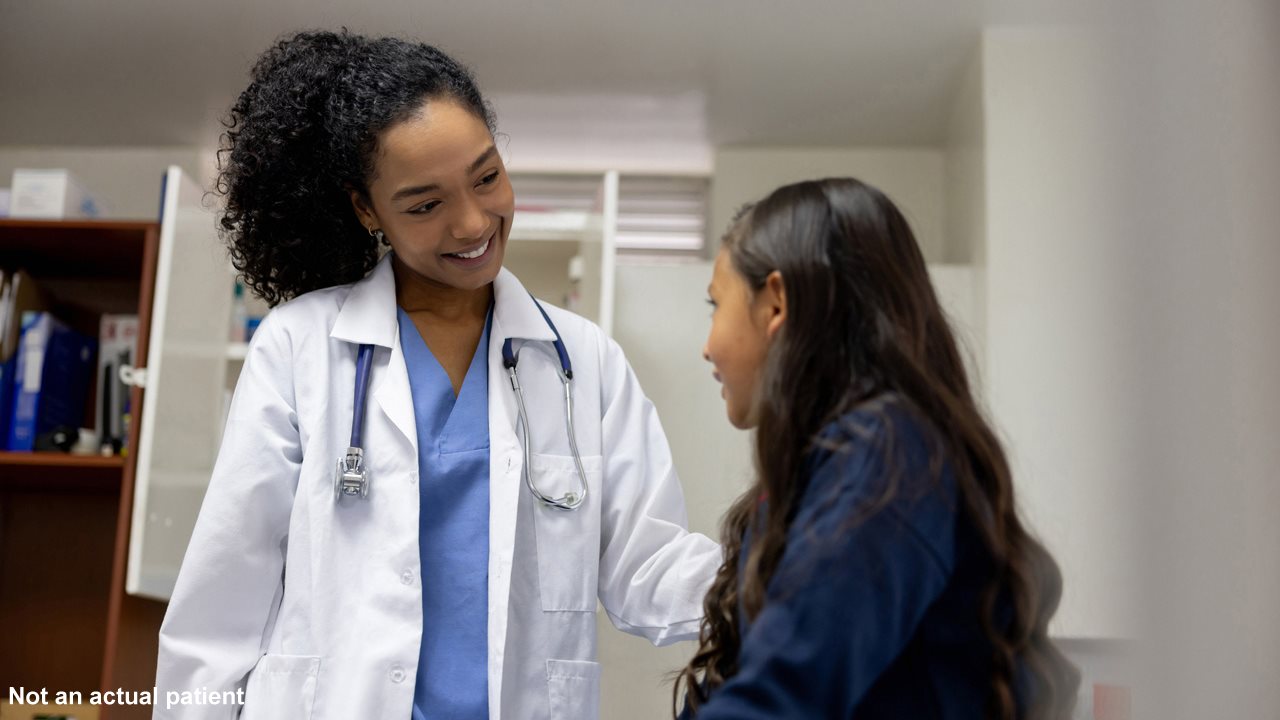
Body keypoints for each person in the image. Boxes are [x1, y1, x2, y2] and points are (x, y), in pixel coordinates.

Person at [153, 29, 719, 720]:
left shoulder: (582, 361)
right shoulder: (300, 348)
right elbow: (221, 606)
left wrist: (786, 578)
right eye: (425, 205)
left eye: (487, 176)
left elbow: (646, 566)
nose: (474, 222)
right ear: (367, 209)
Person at [676, 178, 1079, 718]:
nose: (707, 346)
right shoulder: (804, 487)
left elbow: (784, 694)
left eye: (715, 304)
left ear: (775, 303)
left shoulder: (889, 457)